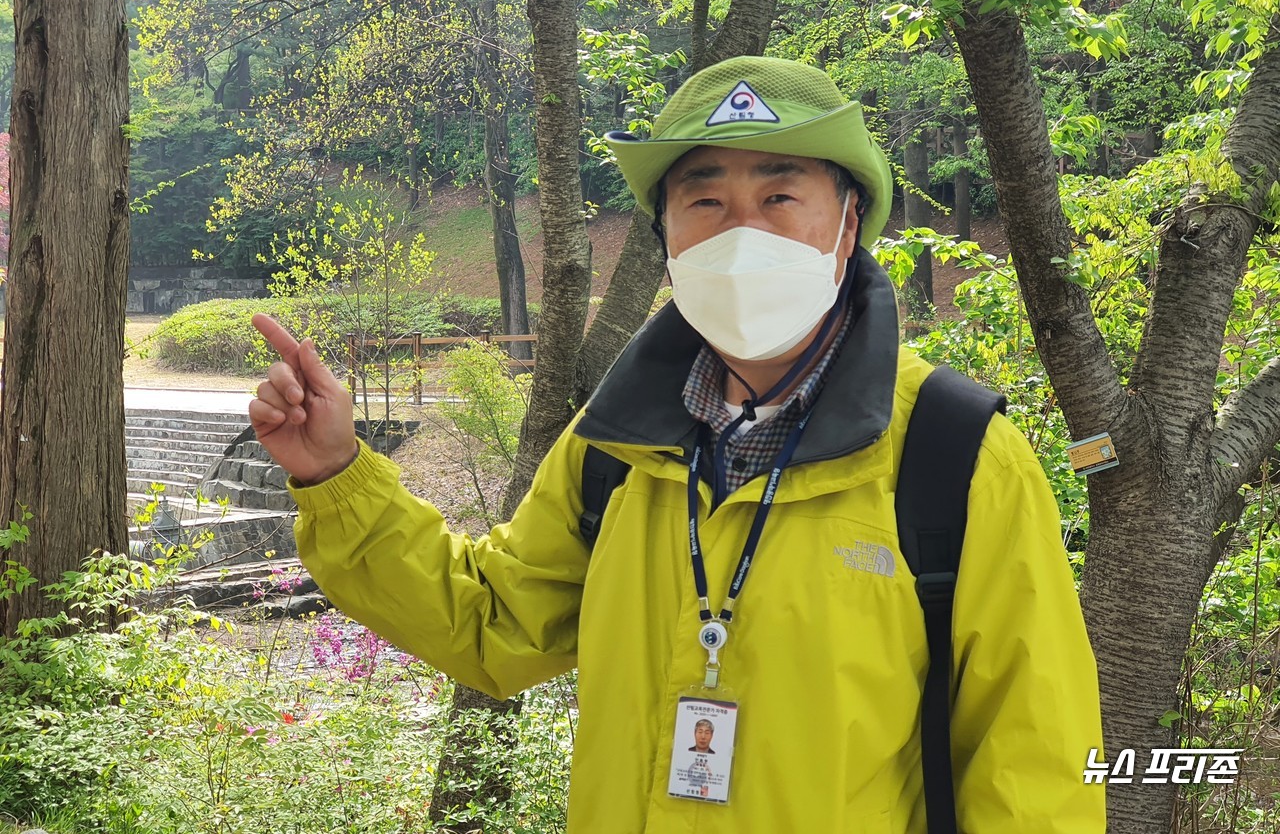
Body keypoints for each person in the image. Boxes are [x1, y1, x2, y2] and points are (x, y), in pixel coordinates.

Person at [250, 56, 1106, 832]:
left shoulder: (954, 455)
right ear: (666, 241)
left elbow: (1037, 763)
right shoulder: (615, 449)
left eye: (779, 197)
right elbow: (493, 621)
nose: (742, 233)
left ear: (847, 228)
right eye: (705, 201)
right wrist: (336, 475)